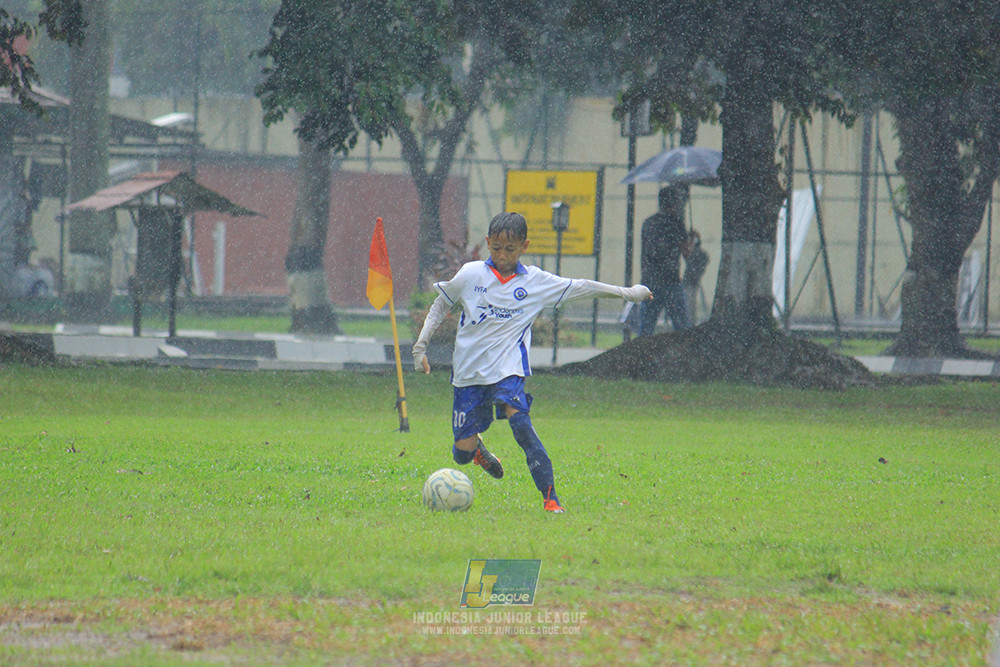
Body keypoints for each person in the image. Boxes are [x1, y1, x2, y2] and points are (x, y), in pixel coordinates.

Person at [412, 211, 652, 513]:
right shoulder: (471, 274)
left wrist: (627, 294)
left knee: (521, 424)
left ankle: (550, 497)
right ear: (487, 242)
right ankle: (477, 451)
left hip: (507, 370)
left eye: (509, 249)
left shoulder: (536, 282)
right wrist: (420, 348)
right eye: (496, 248)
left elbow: (581, 286)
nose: (501, 255)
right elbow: (439, 305)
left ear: (524, 246)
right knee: (461, 453)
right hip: (468, 374)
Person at [638, 185, 693, 335]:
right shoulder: (676, 223)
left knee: (646, 327)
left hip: (649, 281)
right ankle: (686, 353)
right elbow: (687, 252)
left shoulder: (648, 223)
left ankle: (640, 355)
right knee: (682, 327)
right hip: (671, 281)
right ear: (676, 203)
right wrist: (692, 240)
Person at [682, 229, 710, 324]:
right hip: (689, 282)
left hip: (692, 282)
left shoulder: (699, 254)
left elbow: (702, 260)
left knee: (690, 305)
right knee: (689, 305)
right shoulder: (693, 253)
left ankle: (690, 324)